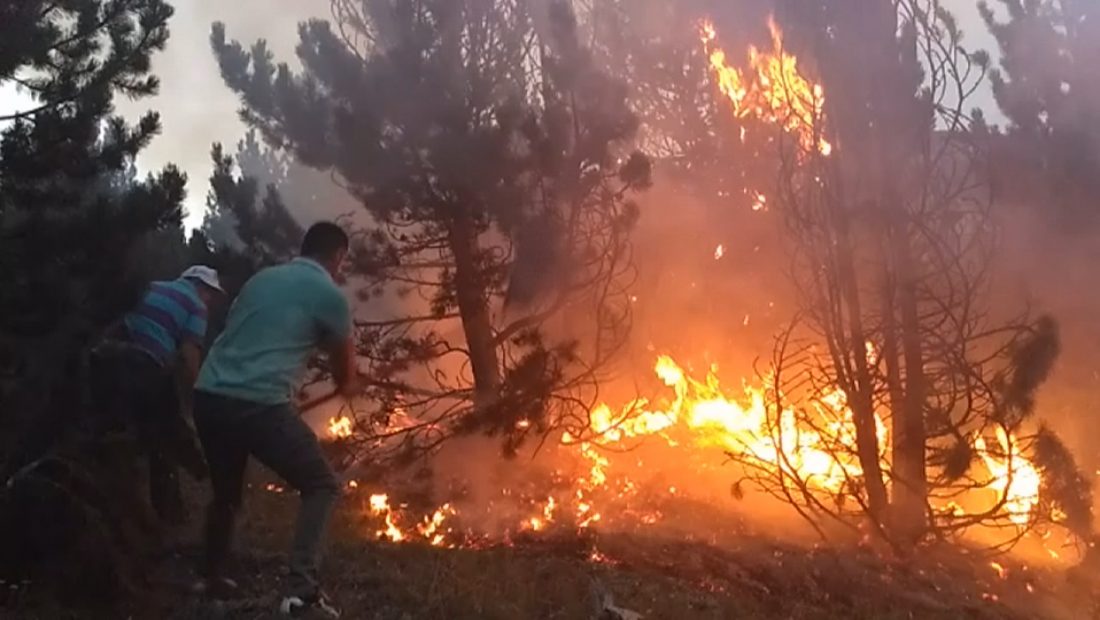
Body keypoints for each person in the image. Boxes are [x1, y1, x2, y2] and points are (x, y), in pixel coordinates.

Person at [192, 222, 358, 617]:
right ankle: (301, 593)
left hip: (209, 396)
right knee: (321, 484)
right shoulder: (329, 296)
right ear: (337, 257)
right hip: (257, 405)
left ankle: (209, 576)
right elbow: (345, 374)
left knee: (227, 494)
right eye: (343, 261)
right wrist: (350, 382)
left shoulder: (262, 279)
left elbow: (249, 331)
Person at [91, 265, 224, 524]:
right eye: (210, 294)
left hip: (105, 360)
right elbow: (188, 354)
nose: (210, 300)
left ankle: (102, 503)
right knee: (162, 440)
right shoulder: (196, 305)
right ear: (202, 287)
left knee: (108, 435)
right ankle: (167, 514)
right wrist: (198, 392)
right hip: (144, 368)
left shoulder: (152, 285)